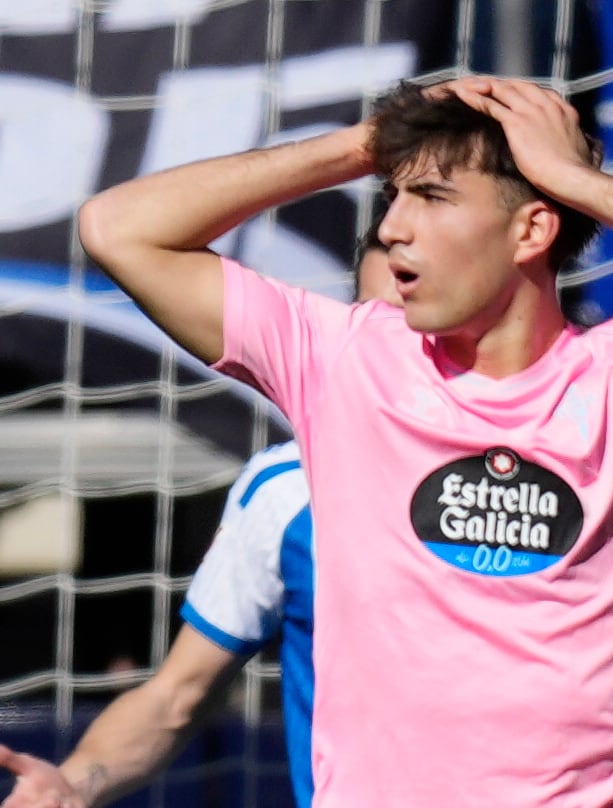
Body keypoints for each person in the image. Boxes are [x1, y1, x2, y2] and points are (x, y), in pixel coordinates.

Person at [64, 75, 613, 806]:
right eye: (393, 195)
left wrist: (572, 177)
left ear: (533, 227)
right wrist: (366, 145)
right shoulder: (346, 360)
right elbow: (117, 228)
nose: (393, 226)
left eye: (431, 197)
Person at [0, 228, 399, 808]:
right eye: (374, 324)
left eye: (416, 328)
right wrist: (78, 784)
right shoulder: (291, 491)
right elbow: (175, 696)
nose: (396, 349)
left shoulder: (577, 461)